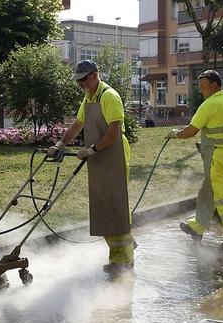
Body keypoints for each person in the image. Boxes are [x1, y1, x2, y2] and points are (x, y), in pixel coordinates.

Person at [47, 60, 134, 275]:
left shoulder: (109, 96)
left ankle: (124, 263)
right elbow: (78, 124)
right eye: (78, 81)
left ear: (95, 75)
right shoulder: (89, 97)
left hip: (113, 155)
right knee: (102, 205)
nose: (80, 84)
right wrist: (60, 144)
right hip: (98, 156)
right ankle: (119, 255)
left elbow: (114, 130)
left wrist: (92, 149)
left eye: (83, 79)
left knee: (115, 205)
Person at [165, 70, 223, 253]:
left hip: (217, 159)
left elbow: (191, 131)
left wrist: (174, 134)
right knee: (208, 192)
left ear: (214, 85)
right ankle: (197, 227)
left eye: (204, 87)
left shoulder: (209, 105)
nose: (201, 91)